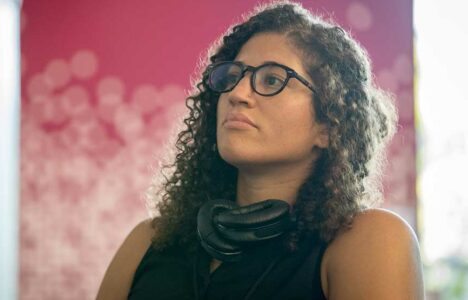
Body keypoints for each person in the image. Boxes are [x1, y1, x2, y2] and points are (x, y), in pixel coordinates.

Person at [97, 1, 424, 299]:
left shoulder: (369, 240)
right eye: (233, 76)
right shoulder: (147, 242)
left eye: (272, 80)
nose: (237, 93)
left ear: (327, 126)